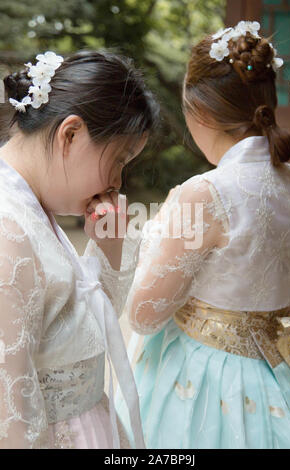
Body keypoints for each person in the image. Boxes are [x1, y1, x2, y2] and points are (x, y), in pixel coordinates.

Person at [115, 21, 290, 449]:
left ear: (198, 113)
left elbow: (144, 315)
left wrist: (152, 238)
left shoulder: (206, 194)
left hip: (206, 383)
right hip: (280, 372)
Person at [0, 49, 159, 449]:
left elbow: (82, 329)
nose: (118, 181)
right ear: (70, 134)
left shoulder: (34, 209)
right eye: (119, 160)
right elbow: (10, 418)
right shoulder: (8, 232)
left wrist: (108, 248)